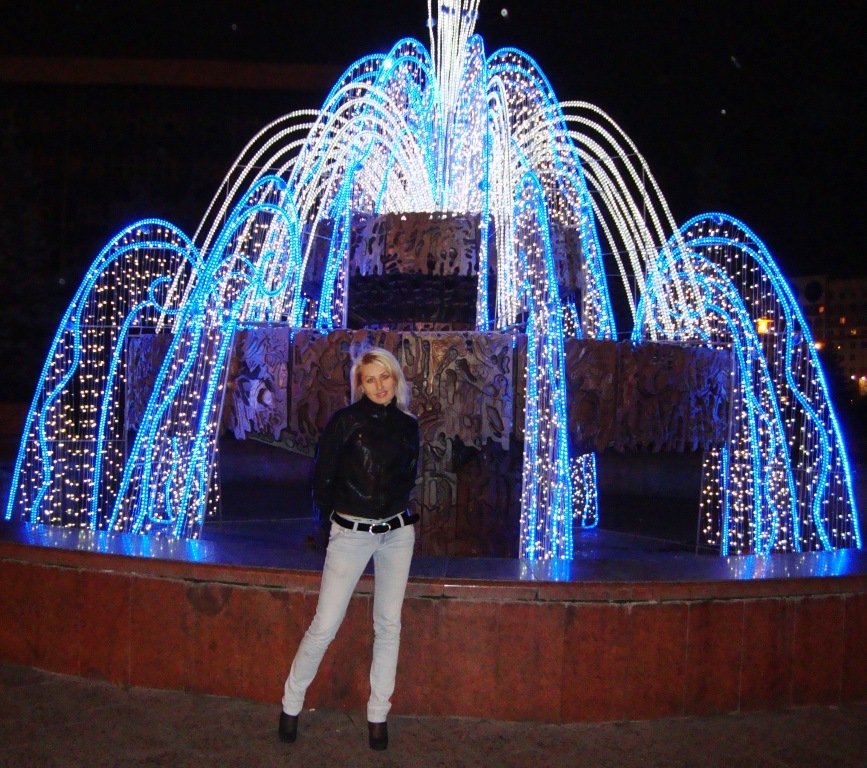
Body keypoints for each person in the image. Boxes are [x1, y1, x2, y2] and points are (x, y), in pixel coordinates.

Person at [278, 346, 420, 751]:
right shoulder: (344, 422)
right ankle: (291, 703)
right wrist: (329, 528)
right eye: (370, 379)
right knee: (325, 624)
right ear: (360, 384)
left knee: (388, 624)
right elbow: (322, 480)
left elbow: (409, 476)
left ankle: (378, 715)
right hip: (351, 532)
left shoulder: (408, 425)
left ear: (396, 378)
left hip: (397, 533)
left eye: (385, 376)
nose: (379, 386)